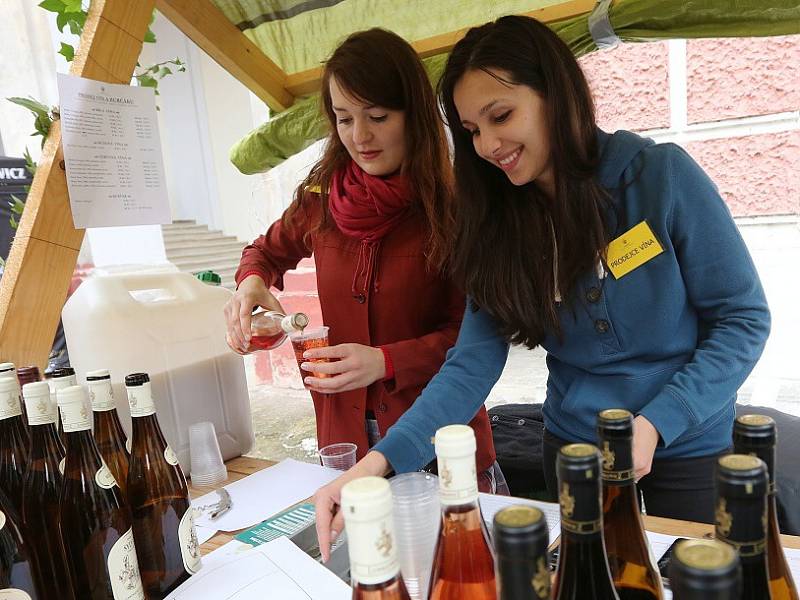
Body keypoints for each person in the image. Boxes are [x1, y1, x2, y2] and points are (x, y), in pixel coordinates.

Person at [313, 15, 771, 560]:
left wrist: (658, 422)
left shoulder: (659, 178)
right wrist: (377, 464)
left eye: (501, 115)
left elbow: (742, 320)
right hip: (576, 450)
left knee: (702, 577)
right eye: (471, 130)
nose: (487, 145)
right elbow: (469, 366)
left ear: (555, 94)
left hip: (690, 439)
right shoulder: (494, 223)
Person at [224, 28, 501, 494]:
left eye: (377, 116)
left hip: (436, 437)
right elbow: (265, 251)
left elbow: (473, 341)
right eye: (344, 118)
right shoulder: (321, 199)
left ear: (413, 114)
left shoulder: (457, 208)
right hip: (344, 437)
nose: (360, 136)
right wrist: (251, 283)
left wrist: (386, 361)